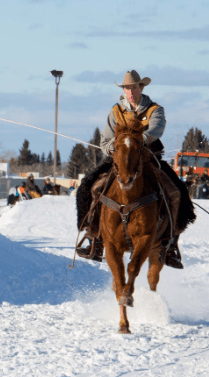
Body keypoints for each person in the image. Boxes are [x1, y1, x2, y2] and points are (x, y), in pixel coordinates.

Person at [76, 70, 195, 268]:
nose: (130, 91)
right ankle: (94, 239)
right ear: (123, 90)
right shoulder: (115, 111)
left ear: (141, 88)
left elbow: (156, 129)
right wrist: (115, 147)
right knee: (89, 186)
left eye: (134, 87)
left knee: (177, 191)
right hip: (119, 161)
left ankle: (171, 241)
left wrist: (141, 140)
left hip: (149, 160)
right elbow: (105, 140)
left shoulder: (155, 110)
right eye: (127, 88)